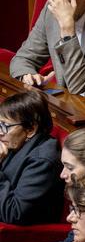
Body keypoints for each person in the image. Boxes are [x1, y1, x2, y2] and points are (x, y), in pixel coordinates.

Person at [0, 91, 62, 225]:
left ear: (30, 129)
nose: (0, 132)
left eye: (5, 126)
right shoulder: (14, 142)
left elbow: (13, 213)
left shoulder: (43, 160)